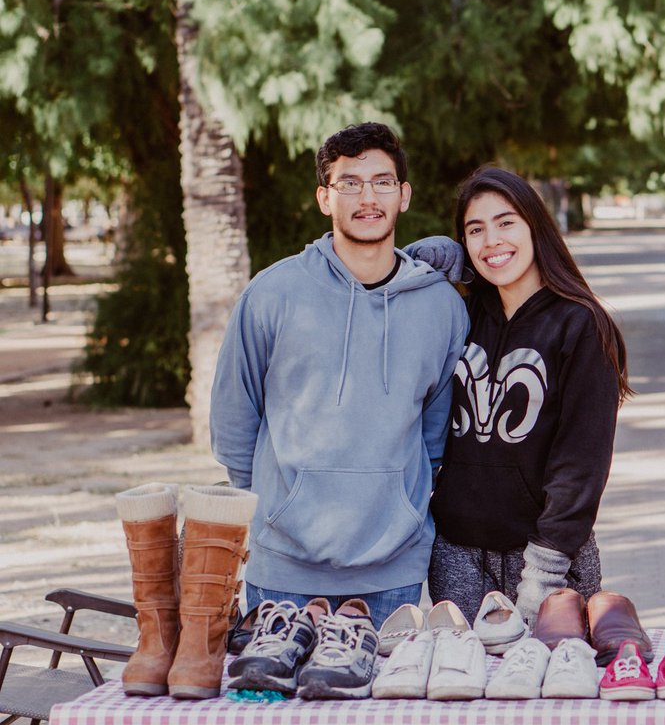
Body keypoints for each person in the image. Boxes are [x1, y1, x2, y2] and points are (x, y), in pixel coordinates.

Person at [210, 122, 469, 628]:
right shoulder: (272, 294)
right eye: (350, 183)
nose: (367, 197)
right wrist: (280, 509)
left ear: (404, 196)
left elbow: (435, 436)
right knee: (279, 707)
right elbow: (233, 423)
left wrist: (405, 512)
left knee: (379, 708)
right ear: (325, 198)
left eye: (382, 182)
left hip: (392, 568)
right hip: (283, 567)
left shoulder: (441, 307)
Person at [428, 166, 632, 626]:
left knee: (547, 692)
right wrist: (426, 260)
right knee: (460, 688)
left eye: (506, 223)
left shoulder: (581, 325)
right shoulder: (460, 314)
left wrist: (543, 574)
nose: (491, 241)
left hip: (547, 559)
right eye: (475, 230)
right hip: (458, 556)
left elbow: (581, 464)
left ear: (534, 227)